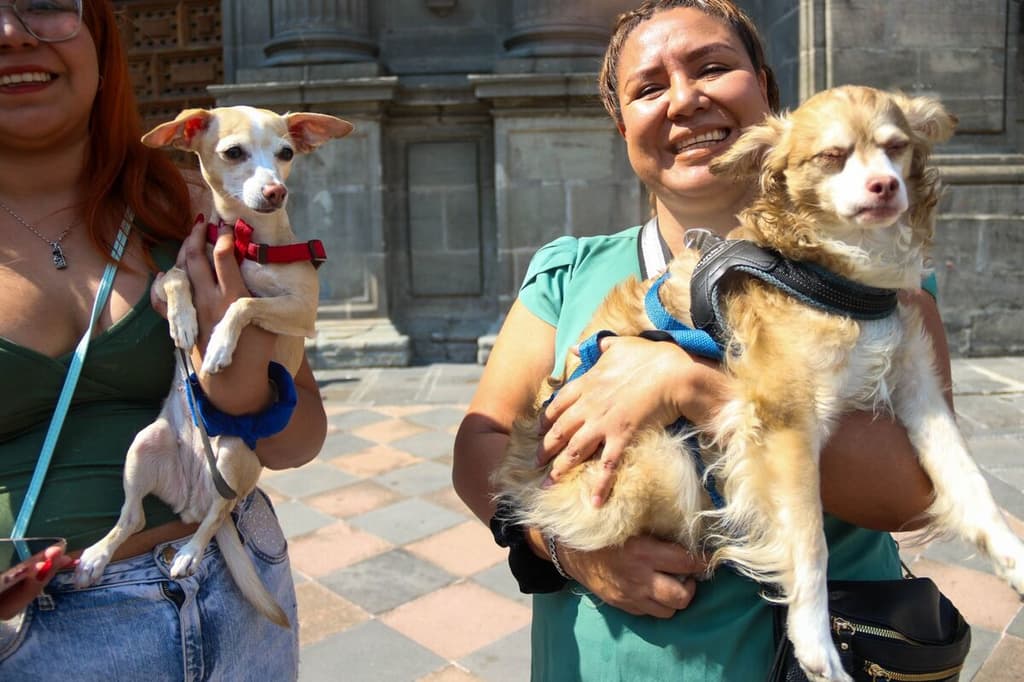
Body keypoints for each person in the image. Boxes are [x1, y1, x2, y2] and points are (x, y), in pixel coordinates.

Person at [453, 0, 948, 679]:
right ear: (622, 125)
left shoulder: (874, 269)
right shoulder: (569, 275)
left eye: (714, 68)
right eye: (649, 88)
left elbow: (913, 495)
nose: (685, 100)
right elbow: (478, 446)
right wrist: (566, 549)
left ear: (768, 92)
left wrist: (692, 386)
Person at [0, 1, 326, 678]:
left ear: (98, 36)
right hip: (34, 637)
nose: (12, 33)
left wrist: (238, 390)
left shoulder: (195, 205)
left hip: (233, 589)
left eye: (44, 3)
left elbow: (299, 441)